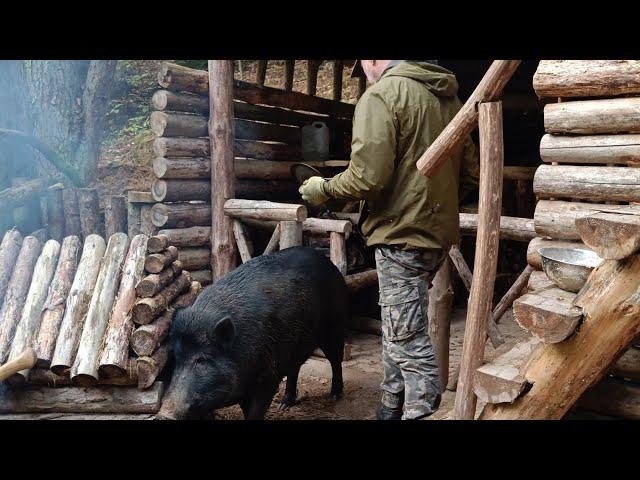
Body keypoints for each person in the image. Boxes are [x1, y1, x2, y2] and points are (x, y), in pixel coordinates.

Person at [299, 60, 480, 420]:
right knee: (399, 324)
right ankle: (390, 405)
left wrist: (324, 190)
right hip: (435, 236)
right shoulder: (448, 98)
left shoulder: (381, 95)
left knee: (408, 339)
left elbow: (367, 178)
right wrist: (431, 205)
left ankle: (421, 412)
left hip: (400, 235)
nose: (363, 70)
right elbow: (471, 173)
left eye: (362, 64)